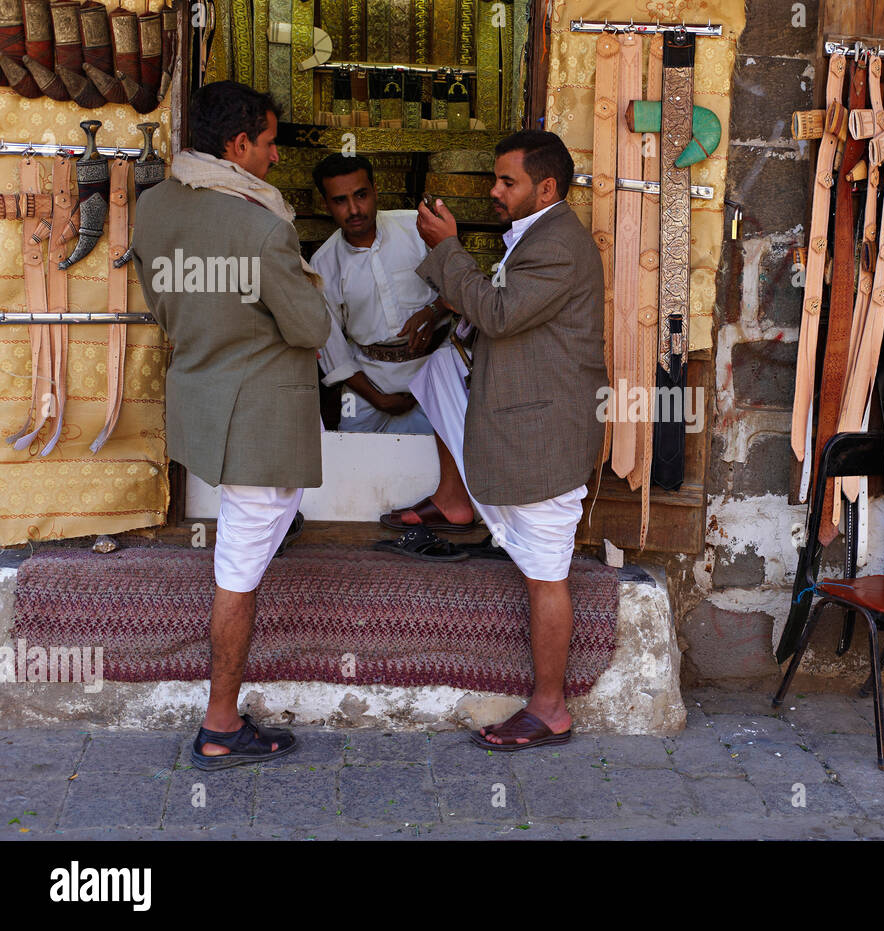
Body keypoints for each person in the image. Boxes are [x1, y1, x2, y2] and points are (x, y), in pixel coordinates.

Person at [132, 81, 331, 770]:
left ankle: (283, 526)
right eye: (271, 144)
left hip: (203, 404)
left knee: (250, 543)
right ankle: (219, 724)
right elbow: (309, 328)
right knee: (237, 574)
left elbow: (163, 305)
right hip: (261, 423)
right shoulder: (261, 225)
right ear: (239, 144)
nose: (277, 159)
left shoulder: (152, 207)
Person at [406, 129, 606, 750]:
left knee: (547, 572)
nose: (494, 191)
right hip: (526, 414)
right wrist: (444, 310)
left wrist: (448, 251)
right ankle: (457, 498)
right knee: (437, 370)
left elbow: (499, 314)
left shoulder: (558, 247)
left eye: (506, 182)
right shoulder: (537, 236)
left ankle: (549, 707)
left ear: (545, 188)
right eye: (494, 179)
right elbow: (495, 312)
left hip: (545, 434)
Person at [309, 152, 444, 436]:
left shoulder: (417, 228)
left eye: (361, 195)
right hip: (369, 385)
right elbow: (334, 352)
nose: (354, 209)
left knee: (441, 462)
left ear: (375, 191)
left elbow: (466, 287)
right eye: (340, 201)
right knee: (355, 466)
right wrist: (379, 399)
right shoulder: (322, 266)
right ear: (326, 205)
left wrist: (434, 311)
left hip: (434, 371)